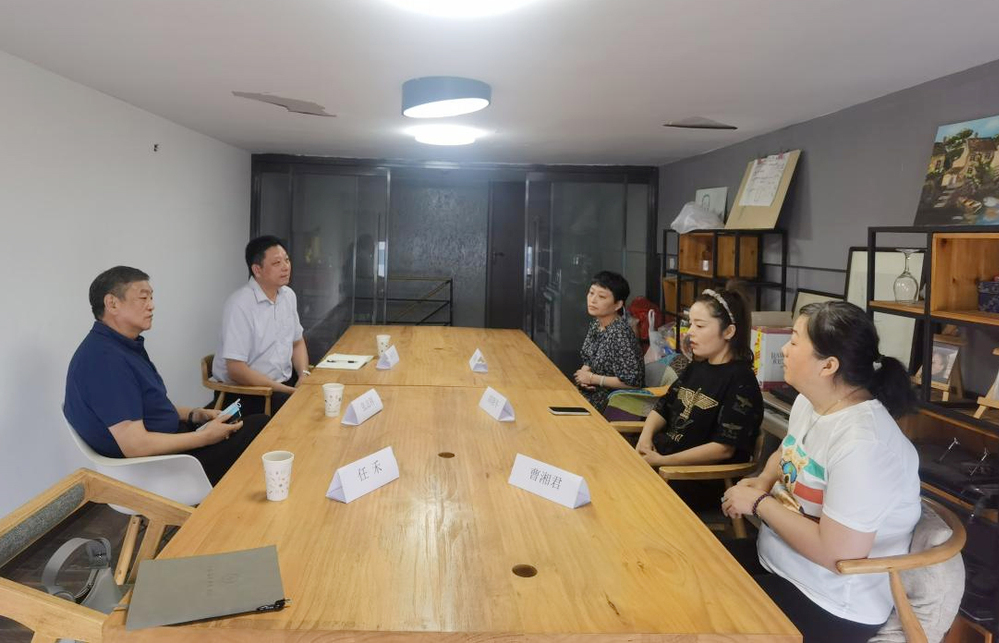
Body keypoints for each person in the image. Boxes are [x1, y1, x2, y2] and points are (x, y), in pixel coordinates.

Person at [720, 301, 920, 643]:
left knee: (701, 612)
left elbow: (837, 554)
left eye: (794, 341)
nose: (784, 349)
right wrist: (764, 480)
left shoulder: (864, 444)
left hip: (830, 602)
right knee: (690, 566)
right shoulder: (811, 402)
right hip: (779, 562)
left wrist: (758, 503)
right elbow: (789, 451)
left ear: (828, 365)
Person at [64, 266, 268, 485]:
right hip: (163, 468)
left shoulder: (120, 346)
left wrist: (195, 415)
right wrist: (204, 437)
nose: (151, 305)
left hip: (172, 443)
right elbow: (135, 446)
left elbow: (148, 406)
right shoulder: (104, 361)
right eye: (143, 298)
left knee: (249, 420)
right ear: (112, 304)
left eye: (151, 297)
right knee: (261, 427)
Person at [636, 286, 762, 468]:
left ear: (728, 332)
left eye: (700, 326)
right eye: (690, 324)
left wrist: (664, 462)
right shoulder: (697, 366)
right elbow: (663, 406)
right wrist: (645, 437)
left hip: (691, 475)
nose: (689, 332)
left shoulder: (742, 381)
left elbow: (723, 449)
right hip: (661, 459)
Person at [212, 236, 310, 416]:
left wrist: (304, 375)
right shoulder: (240, 304)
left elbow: (297, 343)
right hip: (249, 393)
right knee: (307, 413)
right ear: (257, 270)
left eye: (287, 260)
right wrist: (286, 391)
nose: (286, 267)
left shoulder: (288, 295)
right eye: (277, 263)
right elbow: (236, 369)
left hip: (283, 386)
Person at [573, 271, 643, 412]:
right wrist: (583, 378)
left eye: (601, 296)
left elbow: (633, 382)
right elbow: (589, 360)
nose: (593, 300)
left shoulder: (619, 332)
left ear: (618, 304)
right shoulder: (596, 324)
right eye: (591, 293)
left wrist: (592, 379)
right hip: (589, 393)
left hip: (610, 402)